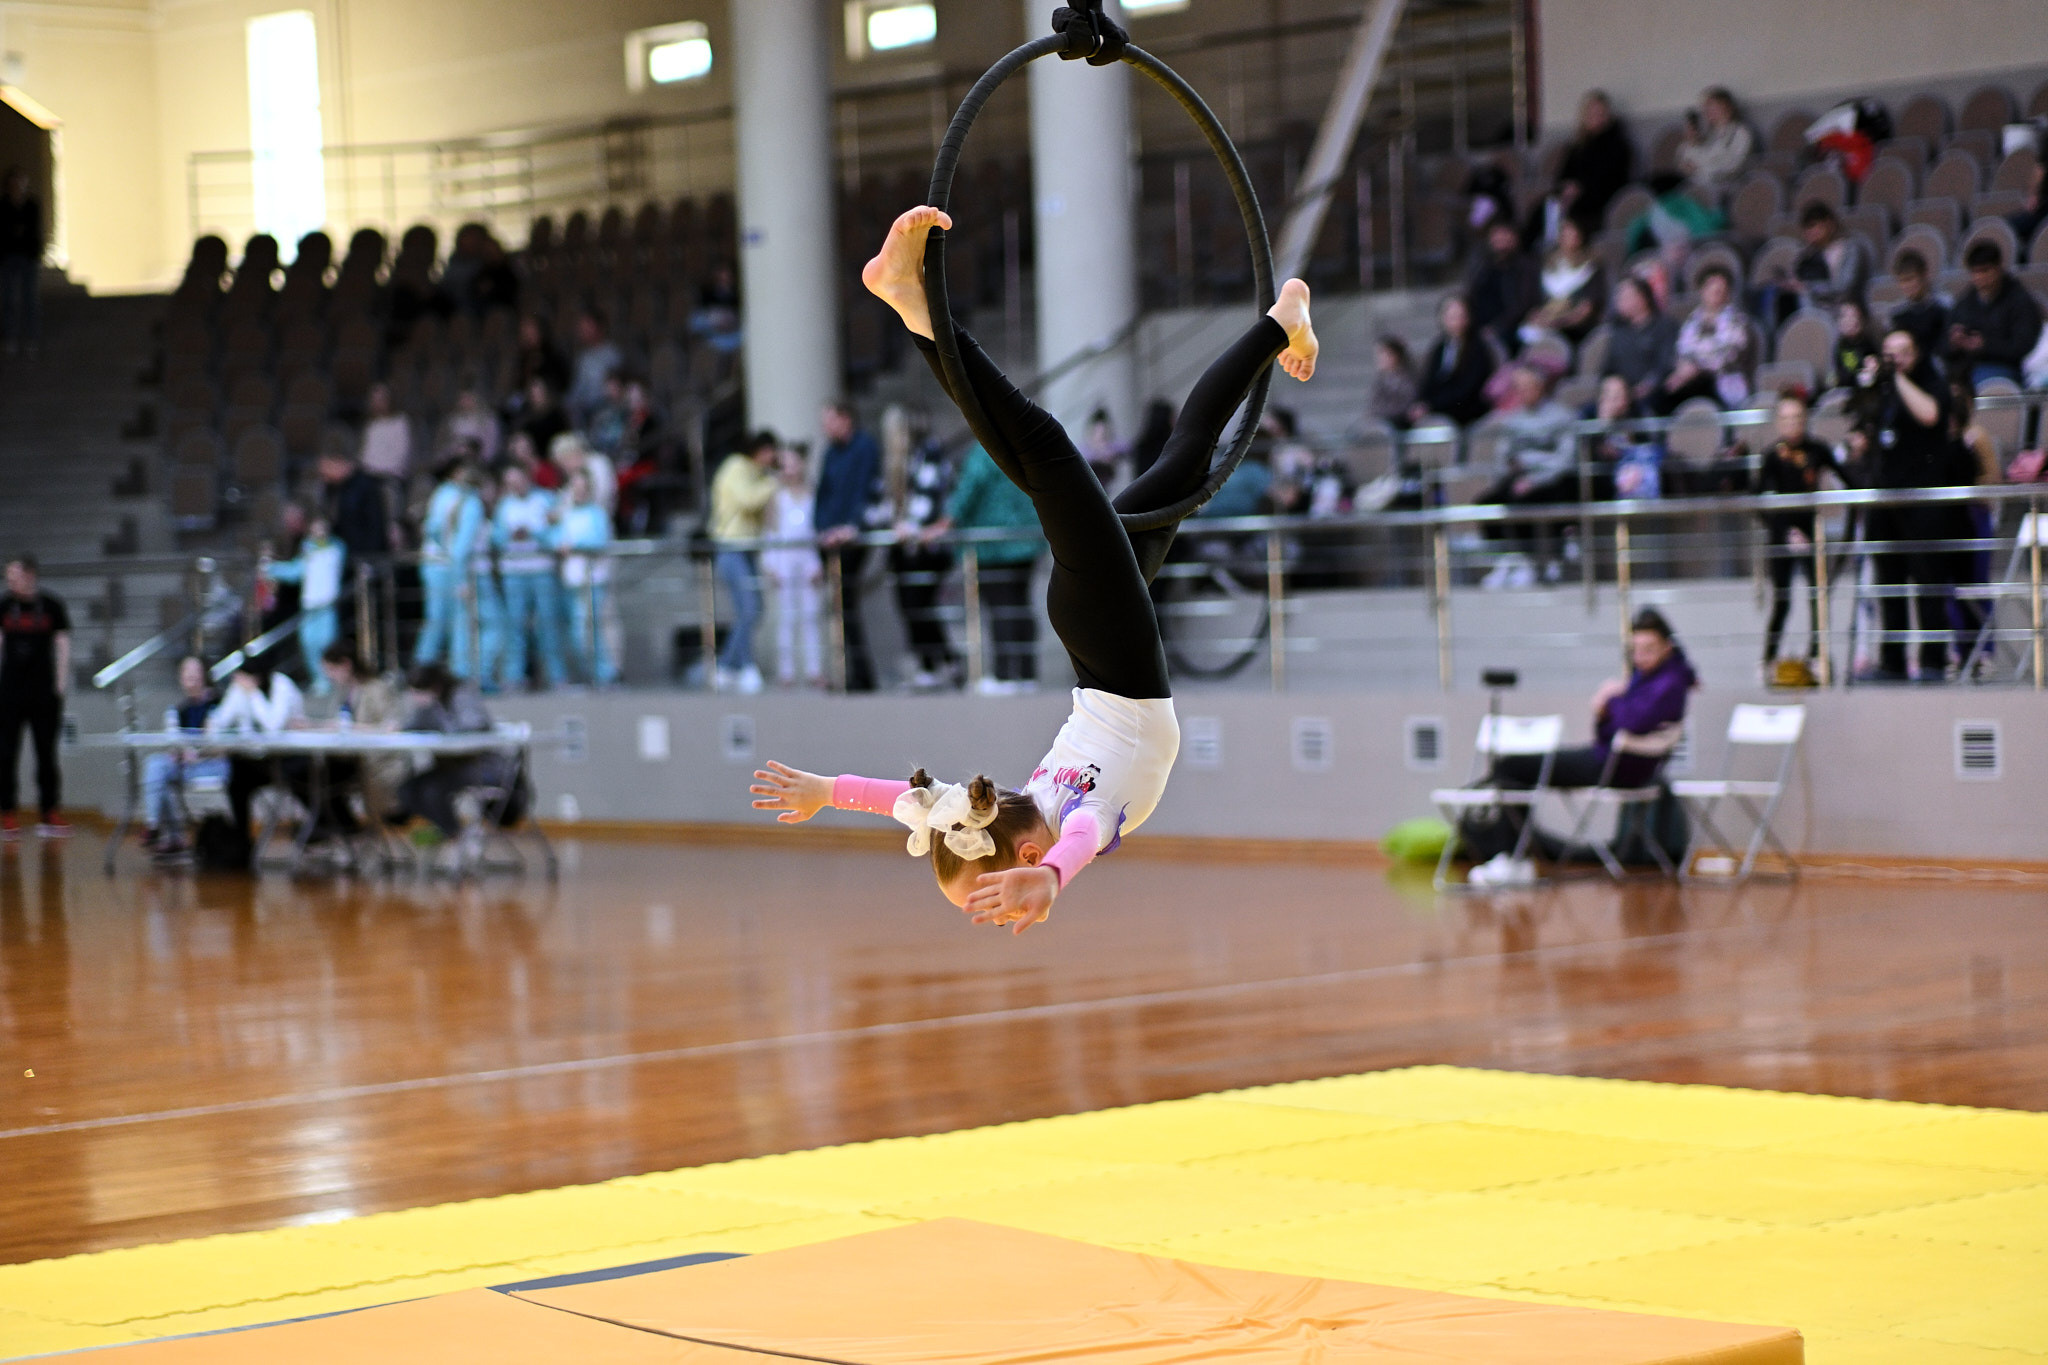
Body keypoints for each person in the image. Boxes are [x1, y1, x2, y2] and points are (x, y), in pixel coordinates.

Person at [750, 204, 1318, 932]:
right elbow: (930, 803)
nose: (998, 911)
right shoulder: (1052, 811)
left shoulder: (1069, 816)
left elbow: (1035, 832)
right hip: (1094, 626)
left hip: (1105, 632)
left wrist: (1049, 878)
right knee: (1180, 459)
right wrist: (827, 791)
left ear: (1023, 851)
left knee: (1044, 449)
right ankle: (1281, 322)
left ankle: (918, 309)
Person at [1849, 328, 1955, 680]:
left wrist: (1896, 377)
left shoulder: (1931, 381)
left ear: (1916, 353)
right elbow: (1862, 422)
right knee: (1889, 583)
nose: (1894, 358)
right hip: (1885, 498)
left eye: (1902, 351)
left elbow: (1930, 414)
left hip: (1923, 499)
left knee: (1927, 580)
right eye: (1889, 352)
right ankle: (1892, 662)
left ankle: (1932, 662)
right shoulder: (1882, 388)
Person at [930, 439, 1045, 693]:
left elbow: (969, 488)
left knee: (1002, 607)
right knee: (1019, 605)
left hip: (994, 544)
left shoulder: (986, 449)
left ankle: (1006, 675)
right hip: (1027, 538)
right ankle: (1026, 674)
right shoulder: (1022, 445)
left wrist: (945, 522)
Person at [1755, 391, 1842, 670]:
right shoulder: (1771, 456)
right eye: (1786, 418)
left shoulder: (1818, 450)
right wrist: (1785, 532)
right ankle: (1768, 659)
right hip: (1781, 535)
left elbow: (1847, 478)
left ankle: (1816, 655)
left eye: (1797, 417)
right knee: (1782, 601)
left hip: (1811, 531)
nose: (1792, 424)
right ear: (1778, 422)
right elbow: (1757, 502)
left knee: (1818, 597)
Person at [1475, 367, 1580, 588]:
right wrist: (1512, 471)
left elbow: (1565, 460)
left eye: (1527, 387)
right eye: (1518, 388)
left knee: (1532, 499)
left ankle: (1543, 561)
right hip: (1519, 480)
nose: (1522, 393)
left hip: (1553, 481)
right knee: (1485, 504)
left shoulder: (1562, 416)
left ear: (1540, 387)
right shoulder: (1513, 421)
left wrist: (1533, 475)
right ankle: (1508, 560)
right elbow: (1503, 459)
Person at [392, 664, 516, 843]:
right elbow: (413, 724)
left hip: (481, 766)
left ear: (435, 686)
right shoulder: (431, 705)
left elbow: (474, 727)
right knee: (407, 790)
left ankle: (456, 836)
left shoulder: (462, 695)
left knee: (431, 791)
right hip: (451, 766)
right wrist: (399, 727)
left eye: (419, 691)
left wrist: (445, 731)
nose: (416, 697)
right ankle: (452, 832)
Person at [815, 400, 883, 692]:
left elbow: (864, 490)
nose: (826, 427)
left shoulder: (864, 448)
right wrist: (822, 529)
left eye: (830, 420)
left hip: (851, 540)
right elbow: (823, 494)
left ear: (845, 419)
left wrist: (850, 527)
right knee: (840, 606)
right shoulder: (831, 452)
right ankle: (847, 672)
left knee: (846, 604)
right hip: (830, 540)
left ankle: (859, 674)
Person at [209, 657, 307, 860]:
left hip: (289, 758)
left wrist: (253, 693)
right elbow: (219, 719)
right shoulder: (240, 689)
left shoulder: (282, 685)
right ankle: (242, 841)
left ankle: (318, 829)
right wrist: (212, 724)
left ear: (257, 678)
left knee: (302, 777)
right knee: (237, 777)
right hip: (258, 759)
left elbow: (273, 726)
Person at [887, 417, 960, 690]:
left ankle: (942, 661)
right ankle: (936, 662)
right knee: (914, 607)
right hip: (908, 550)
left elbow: (928, 500)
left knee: (919, 606)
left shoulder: (929, 454)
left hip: (929, 548)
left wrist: (911, 527)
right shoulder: (906, 460)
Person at [0, 555, 70, 839]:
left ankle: (49, 812)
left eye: (14, 575)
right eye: (7, 576)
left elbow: (63, 644)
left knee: (46, 754)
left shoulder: (52, 605)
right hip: (10, 693)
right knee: (6, 754)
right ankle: (7, 813)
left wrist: (60, 683)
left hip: (43, 693)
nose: (9, 581)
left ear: (29, 575)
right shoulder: (4, 606)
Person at [709, 431, 781, 694]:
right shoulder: (736, 468)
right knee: (749, 608)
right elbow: (748, 500)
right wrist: (773, 483)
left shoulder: (756, 474)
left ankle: (731, 665)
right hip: (731, 547)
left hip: (747, 549)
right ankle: (739, 665)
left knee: (753, 609)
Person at [493, 462, 565, 690]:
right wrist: (509, 535)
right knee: (515, 625)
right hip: (514, 571)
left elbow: (558, 533)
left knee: (548, 624)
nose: (515, 486)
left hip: (541, 569)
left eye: (518, 480)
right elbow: (496, 537)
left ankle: (557, 676)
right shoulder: (504, 505)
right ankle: (514, 676)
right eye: (510, 483)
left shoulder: (545, 500)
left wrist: (535, 534)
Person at [141, 657, 225, 853]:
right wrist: (179, 753)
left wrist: (196, 753)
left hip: (212, 764)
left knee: (161, 774)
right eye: (186, 671)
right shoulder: (179, 710)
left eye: (195, 671)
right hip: (187, 765)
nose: (191, 676)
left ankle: (161, 829)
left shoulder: (219, 704)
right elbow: (173, 742)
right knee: (156, 767)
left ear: (204, 675)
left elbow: (218, 744)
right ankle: (158, 827)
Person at [317, 644, 404, 824]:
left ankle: (345, 825)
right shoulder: (343, 691)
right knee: (317, 773)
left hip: (378, 760)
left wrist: (351, 728)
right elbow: (338, 722)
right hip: (351, 755)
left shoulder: (376, 688)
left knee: (328, 776)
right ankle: (341, 824)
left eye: (332, 669)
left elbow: (389, 727)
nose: (329, 675)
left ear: (346, 664)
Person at [260, 516, 346, 695]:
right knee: (309, 644)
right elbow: (295, 571)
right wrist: (272, 569)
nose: (319, 533)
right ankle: (319, 679)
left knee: (327, 644)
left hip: (326, 607)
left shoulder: (336, 550)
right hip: (310, 607)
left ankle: (334, 680)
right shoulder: (308, 552)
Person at [415, 459, 485, 679]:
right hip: (449, 565)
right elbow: (459, 545)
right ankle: (457, 673)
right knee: (458, 620)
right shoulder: (468, 501)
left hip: (434, 562)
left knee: (438, 619)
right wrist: (461, 577)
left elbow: (432, 528)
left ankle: (423, 670)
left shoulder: (442, 495)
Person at [761, 446, 824, 689]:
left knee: (811, 615)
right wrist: (771, 565)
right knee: (787, 616)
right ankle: (786, 671)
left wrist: (818, 563)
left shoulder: (812, 494)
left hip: (807, 557)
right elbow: (770, 532)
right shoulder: (776, 497)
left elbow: (815, 530)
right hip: (784, 559)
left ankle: (813, 669)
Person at [1655, 266, 1755, 412]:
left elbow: (1729, 356)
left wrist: (1697, 368)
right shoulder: (1692, 321)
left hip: (1722, 381)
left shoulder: (1737, 321)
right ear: (1702, 290)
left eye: (1720, 289)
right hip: (1690, 380)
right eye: (1711, 287)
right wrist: (1684, 371)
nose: (1715, 292)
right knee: (1662, 394)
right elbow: (1683, 350)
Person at [1947, 241, 2043, 388]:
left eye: (1985, 270)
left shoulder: (2020, 300)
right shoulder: (1966, 300)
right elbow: (1944, 342)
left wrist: (1985, 346)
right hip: (1966, 365)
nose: (1980, 277)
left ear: (1998, 268)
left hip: (2005, 366)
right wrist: (1955, 341)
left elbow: (2023, 346)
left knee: (1983, 379)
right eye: (1975, 272)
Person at [557, 468, 618, 686]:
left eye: (582, 488)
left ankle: (605, 673)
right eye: (575, 488)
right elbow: (556, 537)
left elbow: (599, 540)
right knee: (578, 632)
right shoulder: (566, 513)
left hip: (593, 579)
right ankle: (591, 673)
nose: (579, 492)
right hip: (572, 580)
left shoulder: (597, 513)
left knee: (591, 630)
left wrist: (575, 546)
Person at [1544, 91, 1634, 239]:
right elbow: (1562, 174)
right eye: (1592, 113)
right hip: (1572, 197)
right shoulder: (1577, 147)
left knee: (1576, 211)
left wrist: (1580, 188)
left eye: (1600, 113)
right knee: (1548, 206)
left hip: (1599, 198)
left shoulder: (1617, 145)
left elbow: (1609, 177)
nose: (1596, 118)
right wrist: (1566, 188)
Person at [1520, 218, 1607, 352]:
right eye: (1565, 234)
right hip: (1546, 323)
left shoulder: (1591, 269)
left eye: (1573, 234)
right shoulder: (1548, 266)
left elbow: (1585, 311)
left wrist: (1556, 322)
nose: (1569, 238)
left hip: (1573, 330)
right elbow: (1537, 303)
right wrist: (1538, 316)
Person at [1410, 296, 1497, 426]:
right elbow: (1429, 381)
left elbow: (1469, 387)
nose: (1456, 321)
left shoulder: (1477, 347)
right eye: (1451, 316)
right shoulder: (1440, 348)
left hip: (1466, 410)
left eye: (1460, 316)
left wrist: (1433, 405)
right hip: (1440, 407)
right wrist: (1422, 404)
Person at [1778, 202, 1872, 319]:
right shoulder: (1808, 255)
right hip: (1812, 304)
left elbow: (1845, 288)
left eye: (1813, 226)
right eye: (1807, 228)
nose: (1810, 232)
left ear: (1829, 223)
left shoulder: (1850, 249)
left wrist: (1809, 287)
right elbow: (1797, 279)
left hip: (1842, 307)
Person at [1466, 220, 1542, 357]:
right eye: (1496, 235)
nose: (1500, 239)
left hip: (1511, 327)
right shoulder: (1482, 267)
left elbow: (1522, 304)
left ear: (1515, 238)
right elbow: (1471, 297)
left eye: (1505, 234)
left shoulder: (1526, 266)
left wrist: (1496, 327)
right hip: (1479, 326)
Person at [1604, 276, 1678, 409]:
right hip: (1622, 395)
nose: (1619, 301)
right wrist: (1614, 388)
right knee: (1588, 411)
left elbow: (1666, 364)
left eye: (1625, 296)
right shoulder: (1618, 332)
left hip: (1655, 395)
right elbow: (1607, 370)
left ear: (1642, 298)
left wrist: (1648, 386)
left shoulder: (1665, 327)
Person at [1675, 87, 1755, 199]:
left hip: (1725, 187)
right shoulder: (1707, 135)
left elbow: (1734, 167)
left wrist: (1700, 170)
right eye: (1705, 107)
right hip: (1698, 185)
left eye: (1711, 106)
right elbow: (1686, 162)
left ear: (1726, 107)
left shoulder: (1741, 133)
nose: (1706, 111)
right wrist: (1691, 144)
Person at [0, 168, 42, 357]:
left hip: (27, 256)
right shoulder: (4, 206)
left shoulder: (31, 206)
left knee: (29, 299)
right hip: (9, 256)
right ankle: (10, 337)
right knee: (8, 299)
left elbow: (34, 231)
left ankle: (31, 338)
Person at [1888, 250, 1950, 364]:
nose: (1907, 286)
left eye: (1910, 279)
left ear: (1924, 276)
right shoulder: (1898, 314)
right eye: (1902, 281)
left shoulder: (1944, 307)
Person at [565, 309, 622, 428]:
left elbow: (615, 388)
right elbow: (577, 387)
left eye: (588, 326)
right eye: (582, 327)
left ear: (600, 327)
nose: (583, 331)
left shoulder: (612, 354)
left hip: (604, 405)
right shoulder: (583, 357)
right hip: (584, 407)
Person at [359, 383, 414, 486]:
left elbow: (401, 457)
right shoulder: (372, 426)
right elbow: (365, 456)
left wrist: (377, 469)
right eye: (374, 400)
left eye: (381, 399)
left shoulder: (400, 423)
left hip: (392, 475)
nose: (377, 404)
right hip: (368, 475)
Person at [1828, 299, 1881, 393]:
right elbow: (1842, 375)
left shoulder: (1870, 341)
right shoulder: (1841, 346)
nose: (1851, 321)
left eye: (1854, 316)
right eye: (1845, 317)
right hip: (1850, 389)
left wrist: (1875, 366)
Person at [439, 389, 502, 466]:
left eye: (468, 399)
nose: (465, 402)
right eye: (462, 399)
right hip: (454, 462)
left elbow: (490, 445)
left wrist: (481, 460)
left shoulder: (487, 420)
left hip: (479, 462)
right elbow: (445, 444)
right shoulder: (452, 421)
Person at [1369, 337, 1418, 429]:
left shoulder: (1407, 379)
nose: (1380, 359)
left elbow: (1406, 403)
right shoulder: (1382, 380)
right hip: (1382, 420)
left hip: (1400, 423)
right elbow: (1374, 404)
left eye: (1384, 354)